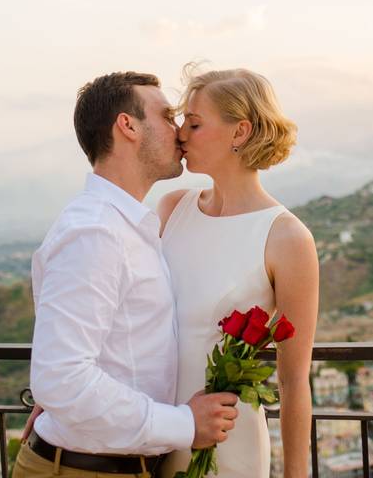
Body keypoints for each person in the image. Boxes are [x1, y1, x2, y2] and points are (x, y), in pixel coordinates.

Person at [14, 71, 240, 478]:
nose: (178, 131)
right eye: (168, 116)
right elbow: (61, 376)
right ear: (128, 125)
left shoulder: (129, 228)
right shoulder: (95, 233)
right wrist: (185, 425)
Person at [157, 66, 319, 478]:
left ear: (240, 132)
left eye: (194, 124)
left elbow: (294, 380)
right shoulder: (172, 208)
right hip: (156, 433)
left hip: (231, 446)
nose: (180, 135)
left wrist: (296, 476)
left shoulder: (287, 238)